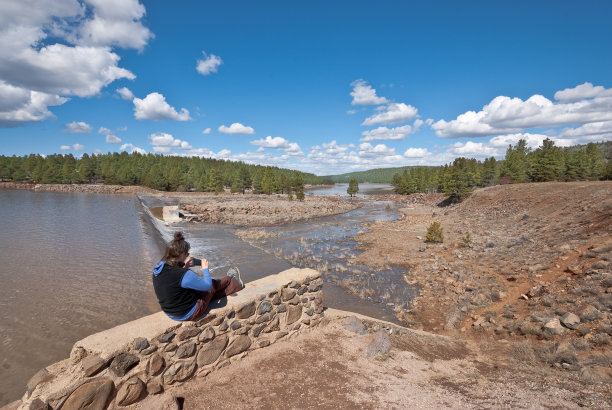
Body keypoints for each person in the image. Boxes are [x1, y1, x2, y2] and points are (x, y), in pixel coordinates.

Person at [153, 232, 244, 321]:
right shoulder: (184, 275)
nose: (187, 255)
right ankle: (233, 280)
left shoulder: (159, 268)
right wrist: (205, 268)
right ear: (181, 254)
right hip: (188, 313)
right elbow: (207, 286)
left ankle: (233, 283)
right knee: (212, 285)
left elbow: (173, 280)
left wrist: (185, 266)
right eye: (186, 254)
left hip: (171, 312)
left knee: (209, 292)